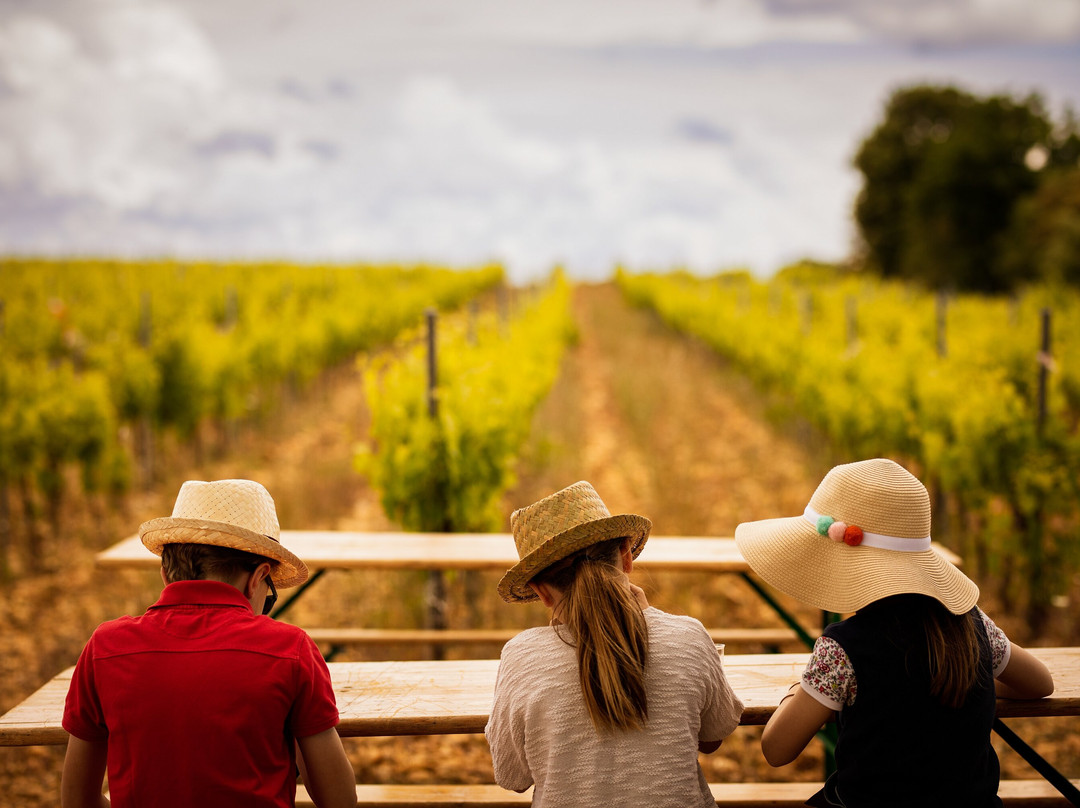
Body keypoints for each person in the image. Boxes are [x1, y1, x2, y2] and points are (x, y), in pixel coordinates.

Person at [735, 458, 1055, 808]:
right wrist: (958, 680)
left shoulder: (842, 650)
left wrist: (798, 692)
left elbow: (776, 750)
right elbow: (1040, 683)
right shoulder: (971, 624)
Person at [60, 479, 357, 808]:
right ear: (258, 577)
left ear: (165, 571)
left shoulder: (105, 647)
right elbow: (339, 799)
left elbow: (77, 799)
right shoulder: (291, 650)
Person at [484, 481, 743, 807]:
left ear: (542, 592)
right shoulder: (688, 636)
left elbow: (512, 776)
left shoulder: (521, 657)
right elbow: (713, 736)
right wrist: (647, 619)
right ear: (625, 556)